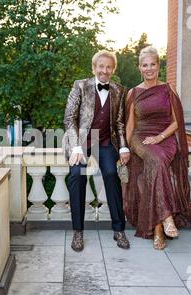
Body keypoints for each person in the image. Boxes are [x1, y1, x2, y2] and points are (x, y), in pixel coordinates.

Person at [123, 46, 191, 250]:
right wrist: (125, 147)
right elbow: (130, 125)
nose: (149, 68)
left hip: (165, 137)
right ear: (139, 67)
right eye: (145, 65)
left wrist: (160, 137)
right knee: (157, 161)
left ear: (158, 65)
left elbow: (178, 121)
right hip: (140, 137)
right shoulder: (133, 92)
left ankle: (158, 231)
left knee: (153, 169)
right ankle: (167, 217)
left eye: (152, 64)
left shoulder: (169, 89)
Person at [64, 50, 131, 252]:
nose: (104, 70)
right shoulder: (80, 86)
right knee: (77, 176)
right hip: (82, 143)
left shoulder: (119, 90)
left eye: (108, 67)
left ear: (113, 69)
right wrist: (75, 146)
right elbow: (69, 118)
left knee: (112, 175)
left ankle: (119, 230)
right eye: (100, 66)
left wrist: (123, 147)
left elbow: (119, 123)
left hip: (104, 143)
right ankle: (78, 231)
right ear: (94, 68)